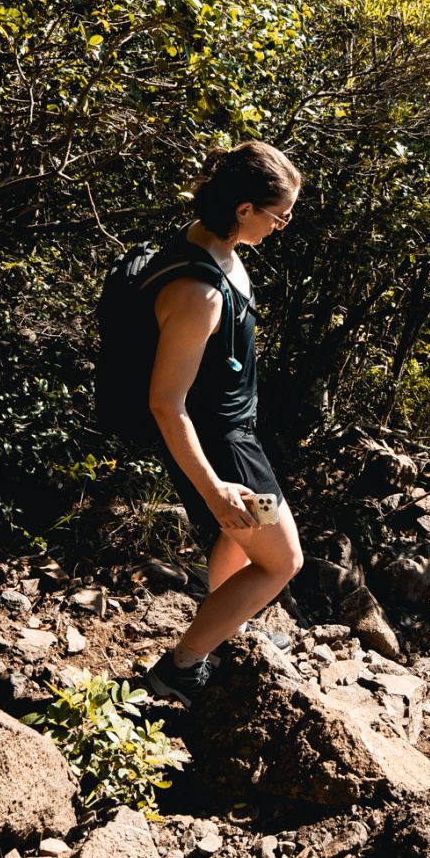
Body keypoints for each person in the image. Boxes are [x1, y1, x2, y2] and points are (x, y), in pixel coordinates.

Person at [144, 139, 303, 707]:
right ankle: (180, 668)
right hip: (223, 447)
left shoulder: (212, 245)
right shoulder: (199, 293)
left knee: (237, 541)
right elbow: (167, 402)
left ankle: (220, 631)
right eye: (279, 213)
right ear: (244, 210)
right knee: (284, 560)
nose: (283, 225)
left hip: (239, 435)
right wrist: (212, 487)